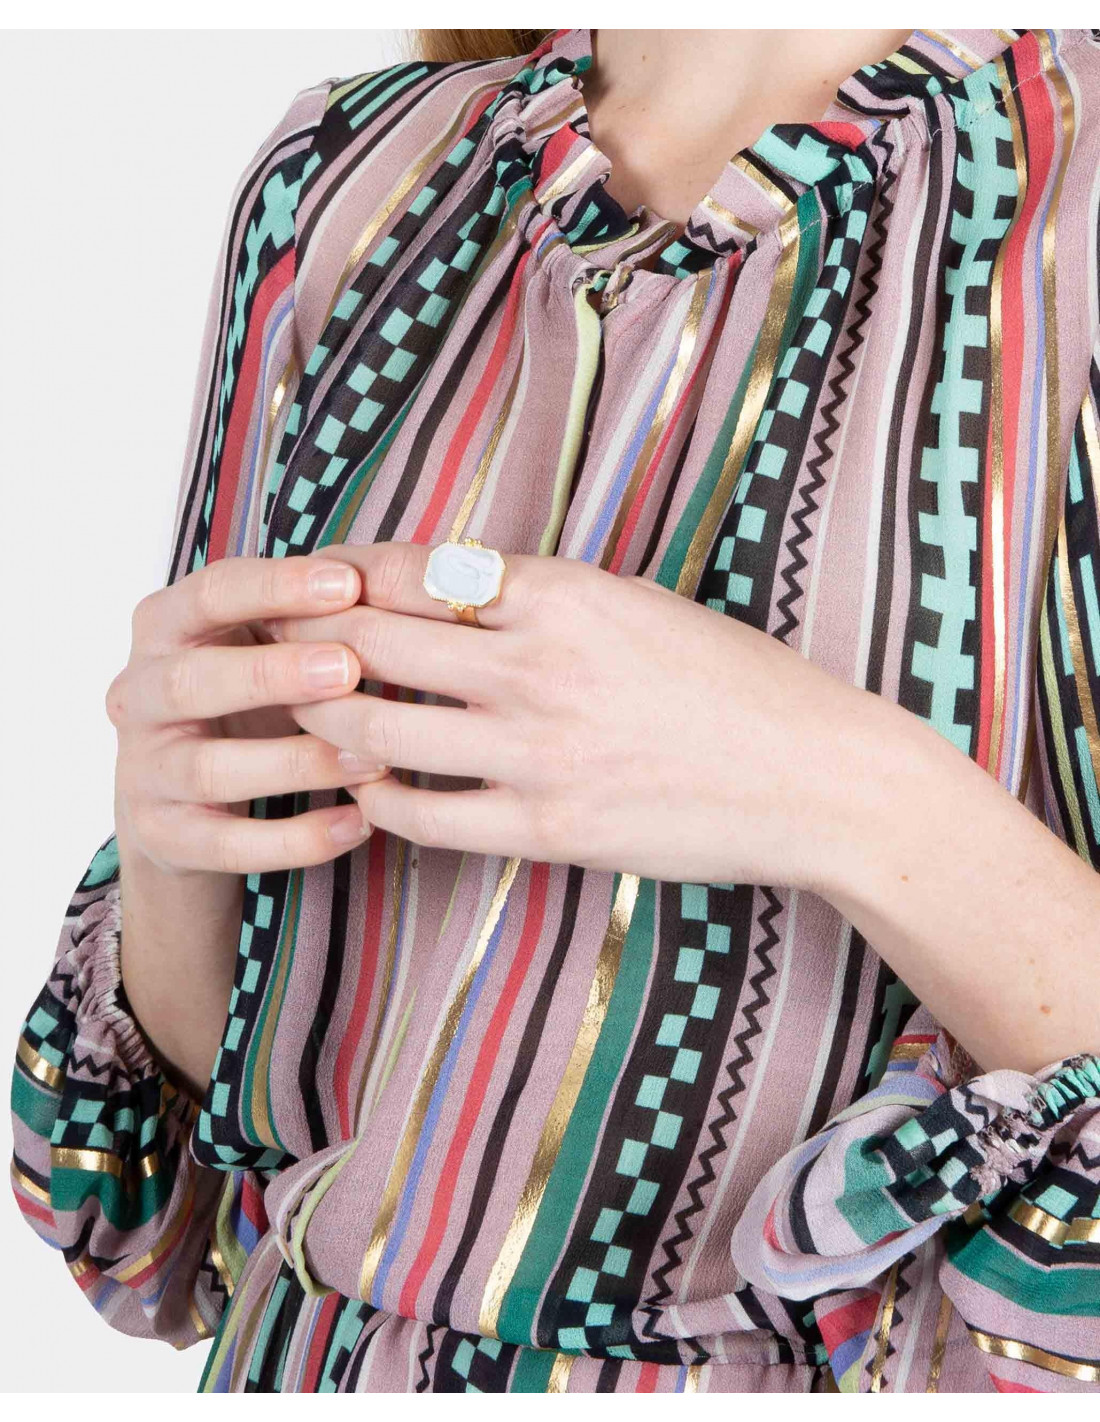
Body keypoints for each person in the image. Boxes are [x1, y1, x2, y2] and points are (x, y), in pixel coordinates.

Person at [11, 26, 1100, 1394]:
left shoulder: (1067, 198)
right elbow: (171, 1231)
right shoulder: (347, 174)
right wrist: (178, 842)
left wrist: (850, 794)